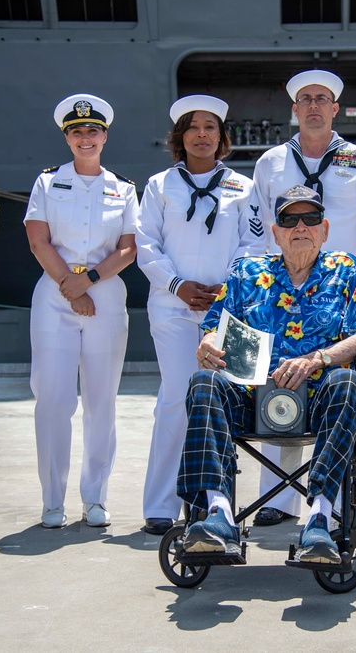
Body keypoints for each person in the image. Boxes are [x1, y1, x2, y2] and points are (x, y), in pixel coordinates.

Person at [177, 185, 356, 564]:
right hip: (252, 399)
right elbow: (213, 325)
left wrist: (317, 359)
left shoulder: (347, 269)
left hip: (320, 398)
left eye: (310, 219)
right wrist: (206, 344)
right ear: (275, 232)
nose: (300, 226)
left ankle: (318, 518)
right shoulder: (246, 271)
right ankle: (218, 514)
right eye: (289, 219)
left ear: (325, 229)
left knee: (348, 382)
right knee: (204, 382)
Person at [249, 69, 356, 526]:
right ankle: (275, 498)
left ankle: (330, 503)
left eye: (321, 99)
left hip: (334, 292)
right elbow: (258, 231)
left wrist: (342, 268)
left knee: (333, 389)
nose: (312, 106)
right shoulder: (270, 163)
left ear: (334, 109)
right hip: (279, 291)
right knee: (277, 380)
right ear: (294, 110)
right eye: (304, 99)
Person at [136, 95, 266, 535]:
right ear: (179, 137)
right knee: (176, 397)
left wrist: (226, 289)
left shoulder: (243, 188)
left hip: (230, 311)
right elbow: (146, 244)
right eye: (193, 127)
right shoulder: (159, 186)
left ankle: (219, 504)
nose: (202, 134)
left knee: (225, 401)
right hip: (173, 308)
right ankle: (161, 506)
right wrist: (178, 285)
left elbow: (254, 246)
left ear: (222, 136)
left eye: (210, 126)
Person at [24, 94, 137, 529]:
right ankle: (53, 499)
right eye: (76, 131)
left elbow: (128, 249)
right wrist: (71, 289)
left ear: (104, 136)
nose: (84, 138)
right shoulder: (48, 183)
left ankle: (95, 497)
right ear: (67, 137)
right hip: (54, 293)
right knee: (52, 398)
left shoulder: (123, 188)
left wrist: (86, 283)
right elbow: (38, 241)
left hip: (104, 293)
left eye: (92, 131)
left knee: (100, 400)